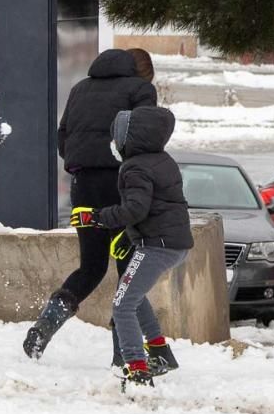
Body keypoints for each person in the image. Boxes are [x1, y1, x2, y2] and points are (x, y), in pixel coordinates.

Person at [23, 49, 157, 359]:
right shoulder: (141, 90)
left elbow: (63, 134)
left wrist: (82, 163)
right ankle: (122, 354)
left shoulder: (80, 88)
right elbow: (144, 136)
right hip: (121, 184)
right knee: (129, 269)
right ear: (143, 71)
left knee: (92, 266)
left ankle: (46, 324)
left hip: (83, 187)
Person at [70, 106, 192, 387]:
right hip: (171, 242)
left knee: (122, 305)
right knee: (134, 297)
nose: (113, 144)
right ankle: (159, 352)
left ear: (128, 138)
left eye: (116, 137)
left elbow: (135, 209)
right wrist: (128, 236)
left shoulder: (135, 167)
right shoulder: (161, 160)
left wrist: (96, 217)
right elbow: (160, 205)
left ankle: (137, 367)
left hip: (157, 245)